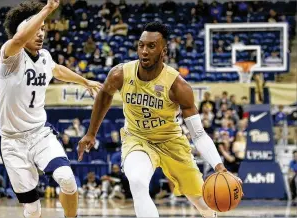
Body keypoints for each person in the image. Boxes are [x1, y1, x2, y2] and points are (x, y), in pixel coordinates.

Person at [79, 22, 242, 218]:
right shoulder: (120, 74)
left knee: (205, 203)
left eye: (151, 46)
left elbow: (198, 134)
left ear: (163, 51)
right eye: (141, 45)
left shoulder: (178, 86)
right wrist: (91, 133)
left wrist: (220, 167)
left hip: (171, 142)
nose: (144, 51)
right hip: (137, 139)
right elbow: (104, 96)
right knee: (137, 182)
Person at [0, 1, 101, 217]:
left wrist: (85, 81)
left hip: (39, 135)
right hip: (13, 142)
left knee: (67, 178)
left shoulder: (44, 56)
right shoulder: (10, 56)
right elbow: (18, 39)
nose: (40, 34)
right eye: (36, 29)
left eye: (43, 29)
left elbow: (57, 70)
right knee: (33, 209)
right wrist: (46, 10)